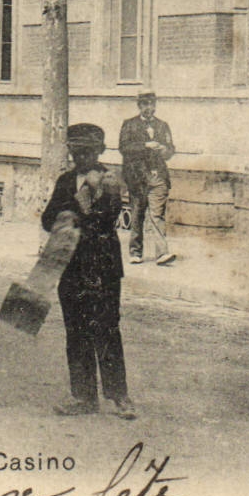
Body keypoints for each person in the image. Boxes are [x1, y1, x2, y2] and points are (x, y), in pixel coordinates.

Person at [43, 123, 135, 419]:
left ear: (98, 152)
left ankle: (119, 397)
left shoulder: (110, 180)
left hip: (103, 267)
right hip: (71, 268)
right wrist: (76, 204)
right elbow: (47, 219)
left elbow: (106, 220)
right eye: (77, 152)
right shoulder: (66, 180)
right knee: (76, 331)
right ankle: (83, 397)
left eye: (87, 152)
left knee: (107, 329)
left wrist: (75, 212)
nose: (81, 158)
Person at [117, 91, 177, 265]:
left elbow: (171, 148)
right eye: (145, 104)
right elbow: (124, 148)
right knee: (137, 214)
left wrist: (165, 151)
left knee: (157, 215)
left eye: (151, 104)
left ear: (155, 105)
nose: (148, 108)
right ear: (139, 106)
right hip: (138, 178)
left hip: (158, 177)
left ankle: (162, 253)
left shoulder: (163, 125)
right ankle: (135, 252)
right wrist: (145, 145)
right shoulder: (129, 124)